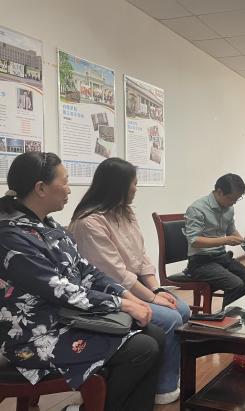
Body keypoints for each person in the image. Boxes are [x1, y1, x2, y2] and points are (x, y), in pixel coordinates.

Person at [0, 152, 164, 411]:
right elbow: (59, 288)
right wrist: (122, 304)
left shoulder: (48, 226)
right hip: (35, 336)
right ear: (41, 188)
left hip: (68, 318)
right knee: (142, 349)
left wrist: (127, 296)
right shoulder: (11, 235)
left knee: (155, 334)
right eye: (64, 181)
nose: (69, 189)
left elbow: (87, 270)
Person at [69, 157, 190, 405]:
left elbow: (141, 257)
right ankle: (164, 388)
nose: (136, 188)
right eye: (133, 183)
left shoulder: (125, 212)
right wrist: (152, 298)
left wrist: (157, 289)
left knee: (182, 309)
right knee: (170, 319)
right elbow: (116, 275)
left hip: (134, 286)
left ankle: (164, 378)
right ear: (118, 186)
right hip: (108, 293)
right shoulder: (89, 223)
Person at [183, 173, 245, 307]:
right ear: (219, 192)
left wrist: (244, 241)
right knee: (235, 285)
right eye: (232, 198)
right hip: (200, 262)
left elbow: (231, 231)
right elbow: (194, 240)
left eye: (237, 199)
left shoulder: (229, 208)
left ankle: (242, 315)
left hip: (221, 258)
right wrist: (225, 240)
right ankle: (227, 318)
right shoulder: (197, 209)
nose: (234, 202)